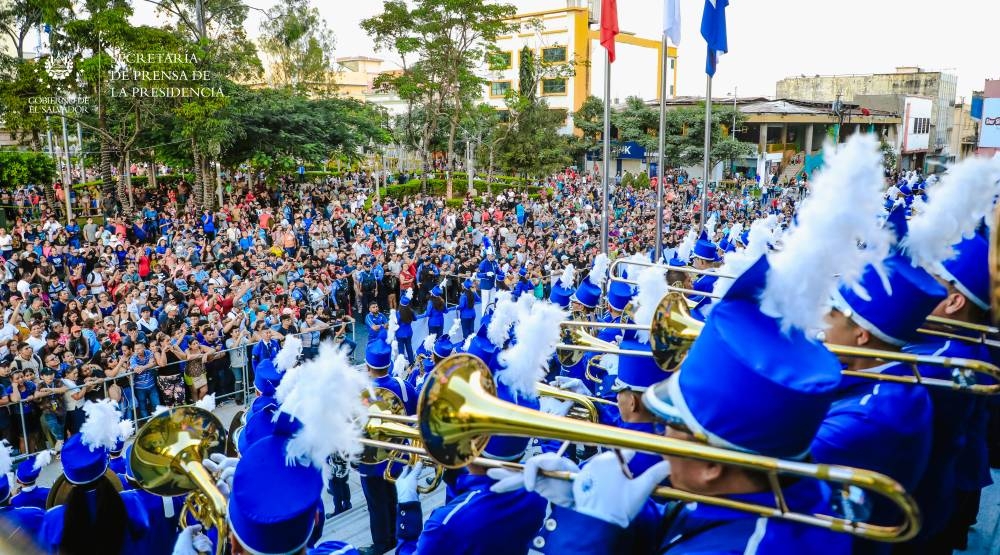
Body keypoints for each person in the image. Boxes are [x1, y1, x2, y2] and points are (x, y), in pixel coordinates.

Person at [818, 207, 938, 555]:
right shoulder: (890, 377)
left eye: (832, 314)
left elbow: (764, 457)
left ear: (861, 336)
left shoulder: (869, 416)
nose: (821, 321)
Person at [39, 401, 150, 554]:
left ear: (67, 475)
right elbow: (144, 536)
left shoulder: (54, 518)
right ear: (104, 466)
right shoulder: (130, 501)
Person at [358, 339, 417, 555]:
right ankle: (396, 537)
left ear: (367, 366)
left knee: (376, 504)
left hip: (370, 461)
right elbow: (414, 414)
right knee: (394, 497)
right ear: (388, 363)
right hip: (398, 454)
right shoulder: (402, 385)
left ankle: (382, 545)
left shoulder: (360, 392)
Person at [395, 290, 416, 365]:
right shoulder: (411, 311)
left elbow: (396, 322)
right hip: (409, 333)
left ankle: (402, 365)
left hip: (400, 334)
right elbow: (415, 319)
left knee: (401, 350)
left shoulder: (398, 313)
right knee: (409, 348)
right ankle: (412, 362)